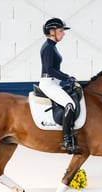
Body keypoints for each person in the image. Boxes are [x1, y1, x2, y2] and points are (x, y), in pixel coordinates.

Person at [39, 17, 79, 154]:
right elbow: (50, 69)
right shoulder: (48, 47)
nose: (64, 33)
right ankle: (66, 139)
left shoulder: (51, 46)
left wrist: (67, 78)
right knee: (70, 104)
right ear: (52, 32)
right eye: (61, 31)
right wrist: (66, 78)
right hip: (48, 83)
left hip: (54, 83)